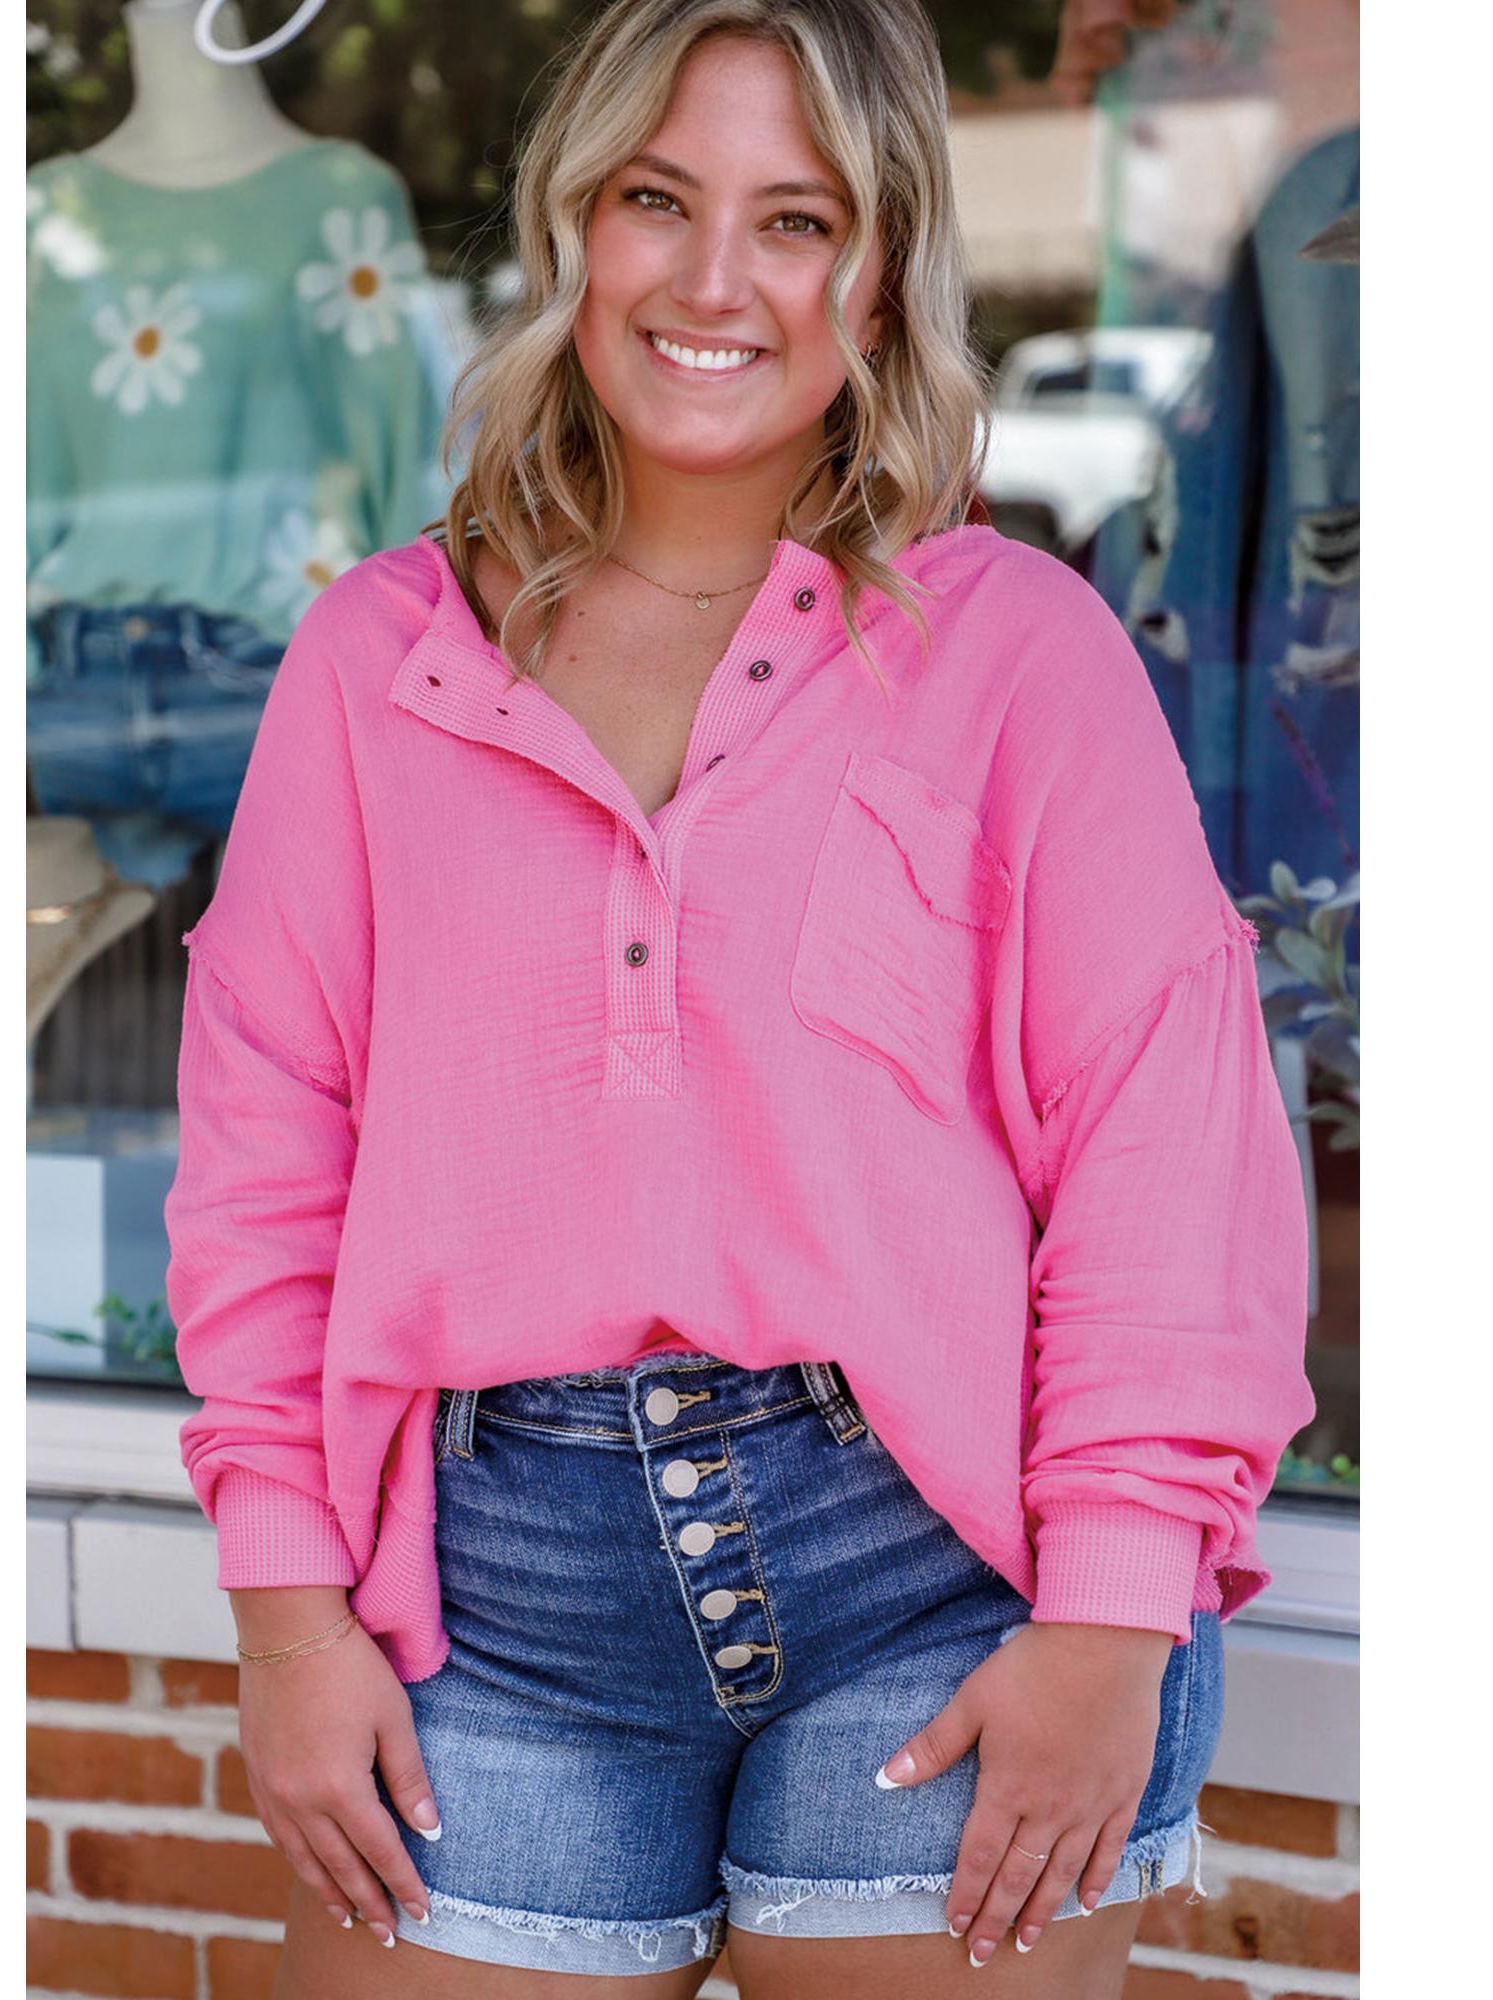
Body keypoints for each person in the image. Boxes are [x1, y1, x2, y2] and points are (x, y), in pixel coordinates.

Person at [163, 2, 1317, 1994]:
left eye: (795, 220)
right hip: (484, 1608)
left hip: (949, 1573)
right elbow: (268, 1156)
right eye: (655, 200)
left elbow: (1166, 1159)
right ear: (571, 226)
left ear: (878, 274)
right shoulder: (374, 661)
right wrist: (284, 1609)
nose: (712, 280)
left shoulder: (1017, 654)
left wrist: (1112, 1611)